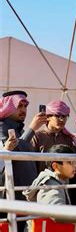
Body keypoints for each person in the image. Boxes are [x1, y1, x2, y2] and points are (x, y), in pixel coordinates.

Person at [0, 90, 46, 231]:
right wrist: (32, 129)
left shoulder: (18, 128)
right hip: (9, 196)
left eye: (25, 106)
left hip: (21, 196)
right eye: (20, 106)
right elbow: (12, 150)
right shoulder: (2, 127)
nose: (24, 110)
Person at [31, 100, 75, 172]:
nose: (62, 120)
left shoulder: (68, 139)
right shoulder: (38, 137)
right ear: (48, 117)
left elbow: (73, 162)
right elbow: (31, 164)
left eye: (64, 116)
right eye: (58, 116)